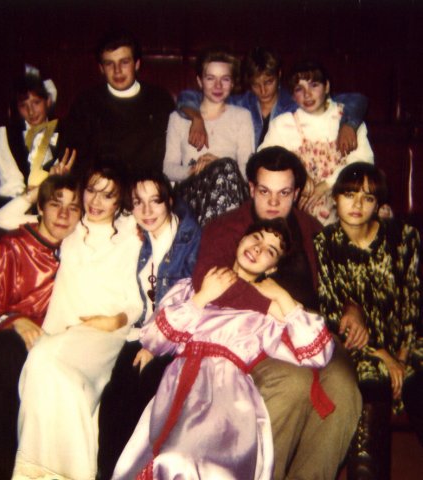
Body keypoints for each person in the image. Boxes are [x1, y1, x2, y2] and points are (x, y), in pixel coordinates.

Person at [113, 219, 335, 479]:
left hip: (226, 398)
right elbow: (154, 337)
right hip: (177, 386)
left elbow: (317, 354)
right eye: (256, 238)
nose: (258, 248)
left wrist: (283, 297)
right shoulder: (196, 285)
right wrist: (201, 298)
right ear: (240, 240)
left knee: (181, 461)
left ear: (273, 267)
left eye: (270, 250)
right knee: (158, 457)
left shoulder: (266, 310)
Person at [192, 146, 362, 480]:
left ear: (296, 193)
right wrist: (274, 305)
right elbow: (208, 282)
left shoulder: (310, 227)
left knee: (344, 388)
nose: (273, 202)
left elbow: (340, 277)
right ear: (251, 188)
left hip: (311, 329)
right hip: (255, 336)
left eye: (284, 193)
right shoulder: (226, 227)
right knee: (293, 382)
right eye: (264, 191)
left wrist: (351, 307)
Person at [12, 167, 143, 480]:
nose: (96, 201)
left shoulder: (131, 235)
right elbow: (3, 220)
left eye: (107, 195)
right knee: (57, 379)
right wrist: (43, 188)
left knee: (43, 360)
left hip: (105, 334)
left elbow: (135, 303)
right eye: (91, 191)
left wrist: (115, 320)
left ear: (119, 201)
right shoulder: (69, 226)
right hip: (61, 329)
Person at [0, 174, 82, 480]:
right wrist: (16, 321)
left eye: (73, 208)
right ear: (40, 208)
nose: (64, 215)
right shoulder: (11, 248)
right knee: (8, 355)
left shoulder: (76, 254)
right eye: (55, 204)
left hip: (36, 350)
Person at [314, 162, 423, 479]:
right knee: (370, 382)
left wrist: (402, 355)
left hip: (409, 343)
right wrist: (383, 354)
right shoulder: (325, 244)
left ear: (378, 204)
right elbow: (331, 310)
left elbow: (414, 299)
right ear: (336, 198)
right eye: (350, 195)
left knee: (416, 382)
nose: (358, 205)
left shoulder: (404, 237)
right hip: (361, 349)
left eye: (368, 198)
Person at [97, 171, 201, 480]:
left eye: (155, 201)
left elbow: (190, 303)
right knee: (113, 398)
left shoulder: (189, 239)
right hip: (140, 333)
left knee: (141, 395)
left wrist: (156, 344)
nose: (146, 211)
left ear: (169, 200)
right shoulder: (135, 234)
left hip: (174, 338)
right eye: (138, 203)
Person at [178, 47, 368, 152]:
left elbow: (356, 100)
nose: (263, 90)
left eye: (268, 82)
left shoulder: (296, 100)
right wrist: (197, 118)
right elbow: (187, 97)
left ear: (279, 75)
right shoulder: (240, 103)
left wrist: (349, 124)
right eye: (256, 84)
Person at [259, 60, 374, 225]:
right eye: (299, 89)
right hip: (303, 198)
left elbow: (364, 161)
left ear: (326, 87)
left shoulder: (348, 120)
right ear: (293, 95)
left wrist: (326, 184)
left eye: (314, 85)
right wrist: (297, 173)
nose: (307, 94)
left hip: (342, 191)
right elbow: (264, 157)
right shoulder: (283, 123)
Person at [62, 30, 175, 179]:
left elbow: (170, 154)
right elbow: (75, 157)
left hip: (147, 185)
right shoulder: (85, 102)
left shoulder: (159, 99)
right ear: (101, 68)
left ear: (137, 64)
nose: (117, 71)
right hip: (102, 185)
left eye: (124, 62)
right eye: (109, 64)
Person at [163, 48, 254, 226]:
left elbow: (246, 171)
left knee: (226, 167)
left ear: (232, 83)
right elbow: (168, 168)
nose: (218, 86)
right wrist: (193, 170)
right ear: (200, 81)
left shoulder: (242, 116)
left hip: (231, 190)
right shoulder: (178, 118)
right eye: (210, 78)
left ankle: (214, 239)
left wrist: (218, 164)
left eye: (225, 79)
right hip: (192, 192)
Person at [0, 68, 60, 203]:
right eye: (23, 106)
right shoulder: (7, 134)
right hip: (19, 202)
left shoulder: (64, 132)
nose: (31, 111)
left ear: (48, 101)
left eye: (36, 102)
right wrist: (28, 196)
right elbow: (10, 182)